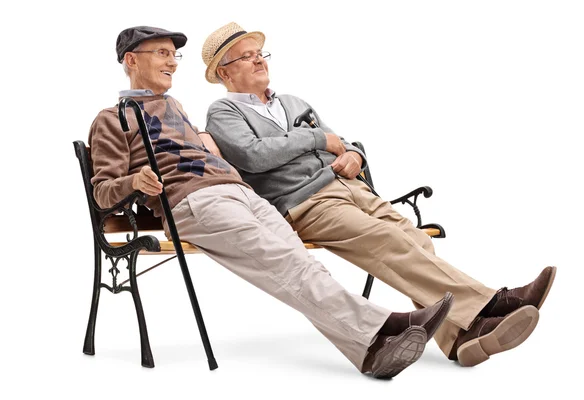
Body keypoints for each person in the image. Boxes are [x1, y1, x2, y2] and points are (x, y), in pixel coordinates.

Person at [88, 25, 455, 379]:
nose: (172, 62)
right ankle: (385, 325)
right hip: (193, 203)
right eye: (162, 54)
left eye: (174, 55)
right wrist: (135, 181)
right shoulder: (111, 119)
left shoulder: (178, 108)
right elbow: (103, 190)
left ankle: (370, 352)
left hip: (241, 192)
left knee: (299, 263)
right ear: (131, 61)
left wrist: (202, 137)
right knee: (283, 261)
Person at [202, 22, 556, 367]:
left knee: (417, 240)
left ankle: (462, 339)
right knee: (388, 240)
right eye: (246, 56)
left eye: (260, 53)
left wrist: (355, 154)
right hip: (305, 202)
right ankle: (491, 303)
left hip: (351, 188)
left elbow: (339, 140)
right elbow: (255, 155)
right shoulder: (224, 112)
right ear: (224, 72)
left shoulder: (293, 102)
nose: (259, 60)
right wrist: (315, 140)